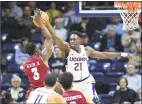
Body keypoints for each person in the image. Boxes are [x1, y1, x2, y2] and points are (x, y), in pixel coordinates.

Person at [34, 9, 132, 101]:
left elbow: (104, 55)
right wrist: (46, 23)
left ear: (79, 40)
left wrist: (122, 53)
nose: (71, 41)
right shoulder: (67, 49)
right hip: (71, 84)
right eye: (70, 39)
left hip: (86, 83)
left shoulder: (87, 50)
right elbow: (55, 36)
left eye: (74, 39)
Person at [24, 9, 53, 95]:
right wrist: (40, 23)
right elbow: (49, 38)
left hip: (33, 92)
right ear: (36, 50)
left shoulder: (25, 64)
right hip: (45, 91)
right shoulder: (43, 57)